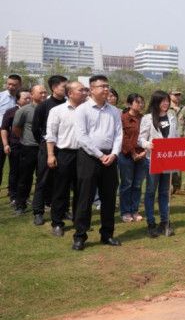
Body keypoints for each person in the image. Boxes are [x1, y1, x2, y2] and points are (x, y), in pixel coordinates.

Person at [71, 75, 123, 251]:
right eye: (102, 86)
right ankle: (80, 236)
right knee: (85, 197)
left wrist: (114, 153)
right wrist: (100, 155)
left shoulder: (114, 111)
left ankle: (107, 234)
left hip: (110, 158)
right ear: (92, 89)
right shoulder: (82, 110)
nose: (106, 89)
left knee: (109, 198)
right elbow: (82, 137)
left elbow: (118, 135)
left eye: (107, 86)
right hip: (89, 157)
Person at [43, 80, 85, 237]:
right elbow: (51, 134)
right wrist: (51, 154)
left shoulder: (87, 110)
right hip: (64, 153)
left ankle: (78, 221)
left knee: (81, 190)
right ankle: (57, 222)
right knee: (61, 189)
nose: (84, 92)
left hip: (84, 154)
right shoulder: (57, 110)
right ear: (70, 93)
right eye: (80, 90)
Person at [138, 90, 178, 237]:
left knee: (164, 192)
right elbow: (140, 139)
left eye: (167, 101)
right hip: (152, 160)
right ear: (156, 102)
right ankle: (151, 222)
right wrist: (149, 145)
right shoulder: (148, 118)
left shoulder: (172, 117)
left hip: (168, 160)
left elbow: (176, 137)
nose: (166, 103)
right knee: (150, 192)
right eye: (163, 101)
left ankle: (165, 221)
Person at [31, 75, 68, 226]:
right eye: (63, 87)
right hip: (47, 148)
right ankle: (38, 212)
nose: (66, 89)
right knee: (43, 180)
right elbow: (36, 128)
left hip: (65, 148)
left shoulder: (69, 105)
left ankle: (62, 210)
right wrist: (44, 142)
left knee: (64, 181)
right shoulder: (44, 106)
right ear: (54, 88)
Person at [12, 85, 46, 215]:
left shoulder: (50, 109)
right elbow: (16, 128)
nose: (43, 95)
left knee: (43, 178)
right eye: (40, 93)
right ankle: (21, 204)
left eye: (45, 92)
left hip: (45, 148)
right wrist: (25, 139)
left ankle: (43, 203)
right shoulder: (24, 110)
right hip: (29, 148)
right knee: (25, 177)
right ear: (32, 94)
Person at [119, 93, 146, 223]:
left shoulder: (145, 118)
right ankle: (125, 211)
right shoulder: (123, 118)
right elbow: (123, 137)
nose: (140, 105)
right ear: (130, 104)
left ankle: (135, 210)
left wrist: (144, 152)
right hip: (126, 155)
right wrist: (133, 153)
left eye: (141, 102)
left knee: (137, 184)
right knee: (127, 184)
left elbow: (148, 135)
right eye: (137, 102)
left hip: (142, 155)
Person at [2, 90, 30, 206]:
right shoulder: (10, 112)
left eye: (29, 98)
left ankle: (24, 196)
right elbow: (4, 128)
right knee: (15, 171)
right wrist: (5, 144)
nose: (28, 100)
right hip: (15, 145)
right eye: (25, 98)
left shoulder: (33, 110)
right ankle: (13, 195)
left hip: (29, 146)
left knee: (27, 172)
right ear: (18, 100)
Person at [0, 74, 23, 188]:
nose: (10, 87)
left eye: (14, 85)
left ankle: (13, 191)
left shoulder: (22, 99)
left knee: (16, 166)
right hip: (2, 133)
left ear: (20, 85)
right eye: (9, 84)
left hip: (16, 136)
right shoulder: (1, 97)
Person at [167, 89, 183, 195]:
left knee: (179, 163)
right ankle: (168, 185)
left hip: (181, 138)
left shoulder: (184, 109)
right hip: (169, 138)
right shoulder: (166, 108)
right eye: (175, 95)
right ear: (170, 95)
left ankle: (177, 186)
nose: (177, 97)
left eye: (179, 95)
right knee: (168, 163)